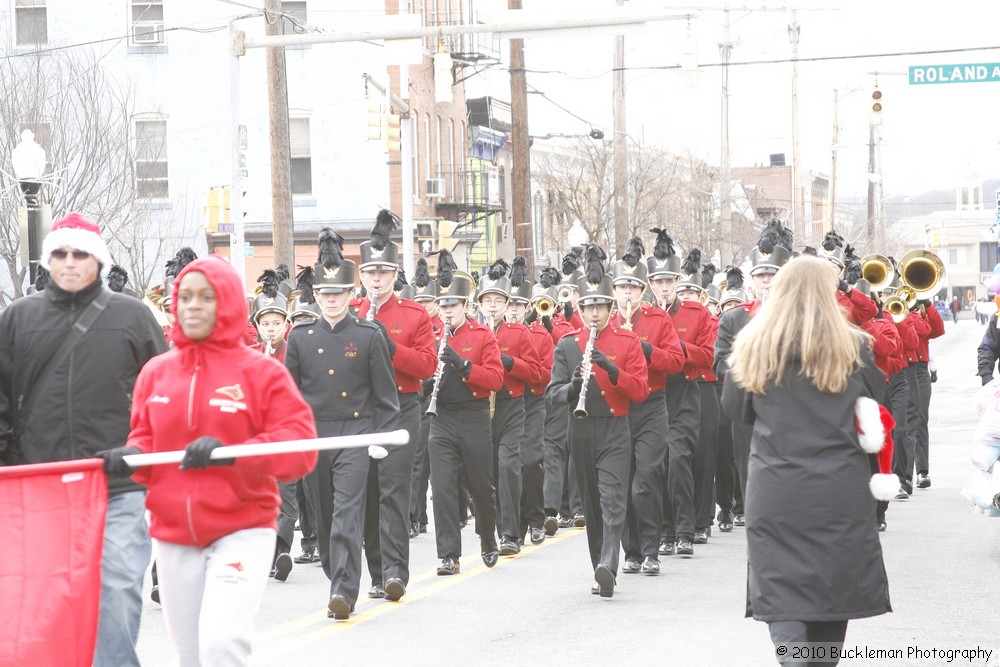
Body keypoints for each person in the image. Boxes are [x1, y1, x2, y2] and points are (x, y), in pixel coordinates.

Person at [98, 256, 317, 666]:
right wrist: (130, 459)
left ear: (229, 303)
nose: (193, 306)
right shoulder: (155, 373)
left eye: (206, 297)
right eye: (185, 297)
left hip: (241, 528)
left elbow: (299, 448)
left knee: (221, 644)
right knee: (191, 656)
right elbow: (145, 439)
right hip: (173, 533)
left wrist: (232, 454)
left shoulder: (261, 372)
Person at [0, 213, 168, 667]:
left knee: (114, 589)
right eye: (60, 253)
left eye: (80, 254)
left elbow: (165, 394)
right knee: (49, 599)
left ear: (98, 259)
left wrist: (141, 452)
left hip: (117, 484)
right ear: (48, 259)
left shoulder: (133, 315)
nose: (69, 262)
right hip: (41, 484)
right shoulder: (17, 317)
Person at [721, 256, 891, 665]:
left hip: (776, 489)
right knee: (832, 596)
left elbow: (736, 410)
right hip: (839, 491)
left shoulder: (752, 345)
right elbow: (878, 407)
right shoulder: (855, 348)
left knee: (783, 596)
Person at [284, 229, 399, 620]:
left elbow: (386, 396)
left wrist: (380, 439)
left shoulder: (368, 336)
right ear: (315, 296)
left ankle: (344, 590)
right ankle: (339, 574)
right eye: (324, 294)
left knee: (348, 513)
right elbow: (289, 397)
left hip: (356, 433)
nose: (331, 301)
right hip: (316, 437)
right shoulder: (299, 338)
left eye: (338, 294)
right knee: (324, 515)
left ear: (351, 295)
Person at [546, 245, 648, 597]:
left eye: (599, 306)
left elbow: (640, 390)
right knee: (590, 501)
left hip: (616, 427)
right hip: (581, 429)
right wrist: (572, 387)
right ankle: (599, 569)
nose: (593, 312)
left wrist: (611, 369)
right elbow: (552, 393)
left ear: (608, 308)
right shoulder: (567, 345)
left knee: (612, 498)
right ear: (581, 308)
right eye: (587, 306)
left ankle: (609, 562)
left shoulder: (627, 340)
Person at [352, 210, 436, 601]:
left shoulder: (413, 314)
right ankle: (375, 572)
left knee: (393, 490)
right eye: (370, 273)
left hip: (402, 407)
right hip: (363, 412)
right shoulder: (351, 315)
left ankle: (396, 572)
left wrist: (390, 347)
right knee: (367, 492)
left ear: (393, 276)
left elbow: (426, 366)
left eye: (383, 273)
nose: (376, 280)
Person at [426, 257, 505, 575]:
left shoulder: (483, 335)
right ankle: (448, 554)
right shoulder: (431, 336)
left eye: (453, 305)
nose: (447, 311)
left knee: (481, 486)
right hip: (441, 415)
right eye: (442, 305)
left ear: (464, 304)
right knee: (442, 487)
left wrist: (463, 365)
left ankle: (488, 537)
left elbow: (495, 379)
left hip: (473, 416)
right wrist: (427, 379)